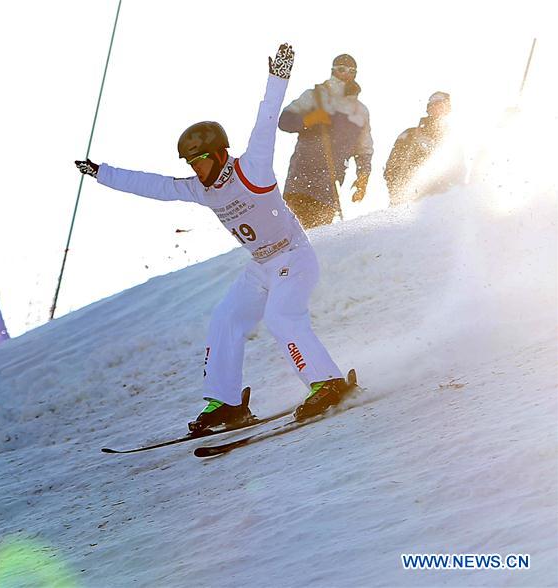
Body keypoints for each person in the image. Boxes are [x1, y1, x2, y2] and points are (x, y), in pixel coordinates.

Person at [74, 43, 352, 430]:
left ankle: (326, 381)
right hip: (262, 267)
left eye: (200, 160)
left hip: (294, 257)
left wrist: (278, 77)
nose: (196, 169)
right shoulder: (201, 189)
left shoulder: (251, 168)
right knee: (225, 318)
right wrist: (103, 173)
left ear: (219, 153)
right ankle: (226, 402)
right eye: (191, 163)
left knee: (280, 316)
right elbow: (154, 185)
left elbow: (267, 118)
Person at [277, 54, 373, 229]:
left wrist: (363, 176)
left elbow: (363, 149)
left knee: (318, 236)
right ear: (333, 71)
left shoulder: (360, 111)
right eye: (341, 69)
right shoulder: (315, 96)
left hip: (329, 184)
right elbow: (284, 121)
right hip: (301, 178)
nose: (346, 74)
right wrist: (308, 119)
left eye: (351, 71)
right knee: (291, 233)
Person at [384, 91, 466, 205]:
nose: (438, 109)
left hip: (440, 204)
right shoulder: (409, 135)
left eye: (442, 106)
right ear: (429, 109)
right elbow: (391, 168)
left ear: (448, 110)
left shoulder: (453, 142)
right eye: (434, 105)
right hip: (408, 201)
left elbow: (459, 173)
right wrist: (397, 192)